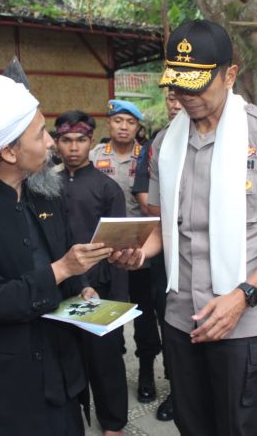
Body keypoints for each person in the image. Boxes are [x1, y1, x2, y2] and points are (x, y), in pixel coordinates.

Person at [115, 19, 257, 436]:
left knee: (240, 427)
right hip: (181, 316)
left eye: (198, 85)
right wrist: (142, 251)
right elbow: (165, 226)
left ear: (230, 75)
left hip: (244, 322)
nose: (186, 96)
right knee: (192, 425)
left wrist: (245, 294)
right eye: (178, 86)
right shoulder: (166, 142)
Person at [0, 75, 111, 435]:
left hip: (62, 368)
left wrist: (81, 286)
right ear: (9, 151)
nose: (50, 143)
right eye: (41, 133)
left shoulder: (45, 191)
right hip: (7, 386)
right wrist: (61, 270)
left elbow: (61, 253)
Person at [55, 110, 129, 436]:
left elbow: (120, 247)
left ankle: (113, 423)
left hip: (101, 288)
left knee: (106, 360)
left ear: (90, 142)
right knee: (64, 358)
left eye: (81, 140)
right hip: (57, 284)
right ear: (57, 142)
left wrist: (120, 301)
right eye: (66, 140)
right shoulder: (44, 186)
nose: (73, 147)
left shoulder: (107, 188)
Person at [90, 99, 162, 404]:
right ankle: (113, 376)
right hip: (106, 256)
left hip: (143, 252)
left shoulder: (147, 158)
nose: (123, 127)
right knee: (111, 316)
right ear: (109, 123)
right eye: (118, 120)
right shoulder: (94, 156)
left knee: (146, 318)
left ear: (138, 128)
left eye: (130, 122)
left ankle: (146, 372)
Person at [130, 87, 182, 422]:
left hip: (195, 257)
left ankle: (180, 390)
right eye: (171, 98)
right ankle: (150, 373)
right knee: (156, 319)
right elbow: (148, 200)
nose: (176, 103)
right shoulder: (159, 143)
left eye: (181, 96)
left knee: (182, 328)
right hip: (159, 250)